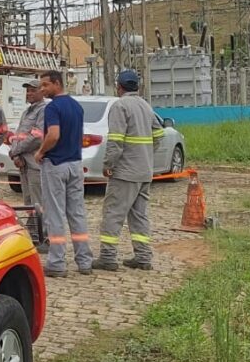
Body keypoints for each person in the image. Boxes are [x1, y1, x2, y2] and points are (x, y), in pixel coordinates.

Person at [93, 70, 159, 272]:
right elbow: (159, 134)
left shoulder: (120, 106)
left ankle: (108, 257)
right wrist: (145, 153)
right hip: (144, 171)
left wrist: (108, 165)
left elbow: (116, 141)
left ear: (119, 86)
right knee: (139, 215)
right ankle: (143, 256)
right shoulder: (146, 106)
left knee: (113, 213)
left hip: (125, 172)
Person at [34, 69, 91, 278]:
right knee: (77, 213)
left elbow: (54, 134)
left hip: (55, 164)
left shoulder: (52, 108)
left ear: (57, 84)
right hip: (75, 164)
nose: (42, 89)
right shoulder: (76, 106)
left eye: (45, 85)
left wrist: (41, 152)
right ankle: (84, 260)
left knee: (55, 214)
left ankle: (57, 262)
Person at [8, 79, 47, 207]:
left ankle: (41, 227)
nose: (29, 93)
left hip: (35, 164)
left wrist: (15, 151)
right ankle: (31, 227)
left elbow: (36, 137)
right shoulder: (26, 112)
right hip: (23, 163)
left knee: (38, 203)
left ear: (42, 92)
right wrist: (16, 155)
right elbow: (18, 135)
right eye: (27, 91)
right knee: (28, 201)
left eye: (33, 91)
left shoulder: (43, 110)